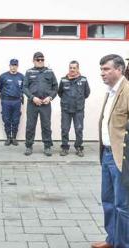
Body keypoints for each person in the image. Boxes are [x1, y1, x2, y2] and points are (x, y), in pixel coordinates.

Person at [92, 54, 129, 248]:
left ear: (120, 69)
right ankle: (112, 240)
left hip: (121, 157)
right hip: (106, 154)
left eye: (106, 69)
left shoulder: (127, 91)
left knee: (122, 206)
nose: (102, 73)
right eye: (101, 69)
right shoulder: (111, 91)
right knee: (108, 201)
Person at [23, 52, 58, 156]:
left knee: (46, 126)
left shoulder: (49, 72)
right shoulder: (29, 72)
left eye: (42, 59)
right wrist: (32, 97)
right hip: (32, 103)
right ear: (33, 60)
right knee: (30, 126)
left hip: (45, 104)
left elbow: (55, 87)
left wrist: (50, 97)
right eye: (38, 60)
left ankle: (47, 146)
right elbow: (24, 87)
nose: (40, 61)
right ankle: (29, 146)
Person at [58, 61, 90, 157]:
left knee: (79, 129)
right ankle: (64, 147)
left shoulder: (83, 80)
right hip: (66, 110)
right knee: (64, 129)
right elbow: (60, 93)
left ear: (78, 69)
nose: (72, 69)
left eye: (74, 68)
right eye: (70, 68)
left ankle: (79, 147)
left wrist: (79, 101)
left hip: (78, 110)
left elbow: (87, 93)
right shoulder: (63, 80)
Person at [0, 58, 24, 146]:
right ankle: (8, 137)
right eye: (12, 65)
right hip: (6, 101)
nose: (13, 67)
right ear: (9, 66)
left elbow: (24, 88)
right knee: (6, 119)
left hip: (17, 101)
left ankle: (14, 138)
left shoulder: (21, 76)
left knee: (16, 120)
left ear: (17, 66)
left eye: (15, 65)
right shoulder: (3, 76)